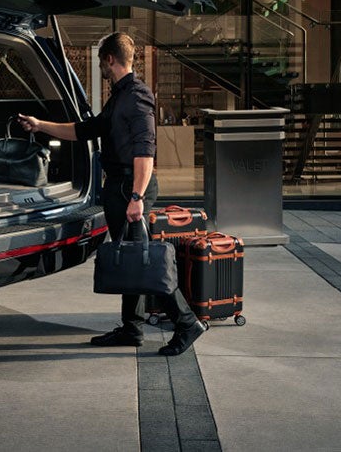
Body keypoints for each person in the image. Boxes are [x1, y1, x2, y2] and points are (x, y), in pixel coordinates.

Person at [18, 32, 205, 356]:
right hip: (120, 187)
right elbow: (84, 130)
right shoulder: (118, 96)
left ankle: (186, 322)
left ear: (109, 60)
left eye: (101, 63)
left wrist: (136, 197)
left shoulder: (136, 96)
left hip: (131, 187)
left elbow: (146, 151)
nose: (101, 69)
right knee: (131, 258)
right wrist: (40, 125)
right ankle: (131, 328)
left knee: (147, 262)